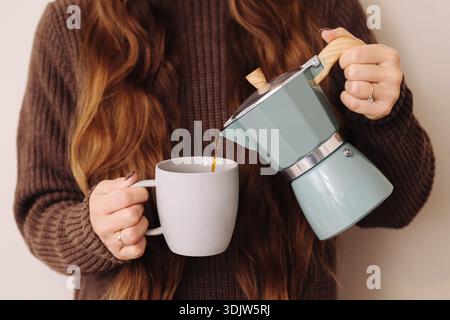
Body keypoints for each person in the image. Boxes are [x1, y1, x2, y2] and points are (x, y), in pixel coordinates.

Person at [15, 0, 435, 300]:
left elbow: (396, 209)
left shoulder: (317, 10)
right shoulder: (74, 21)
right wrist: (92, 230)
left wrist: (387, 112)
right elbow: (40, 209)